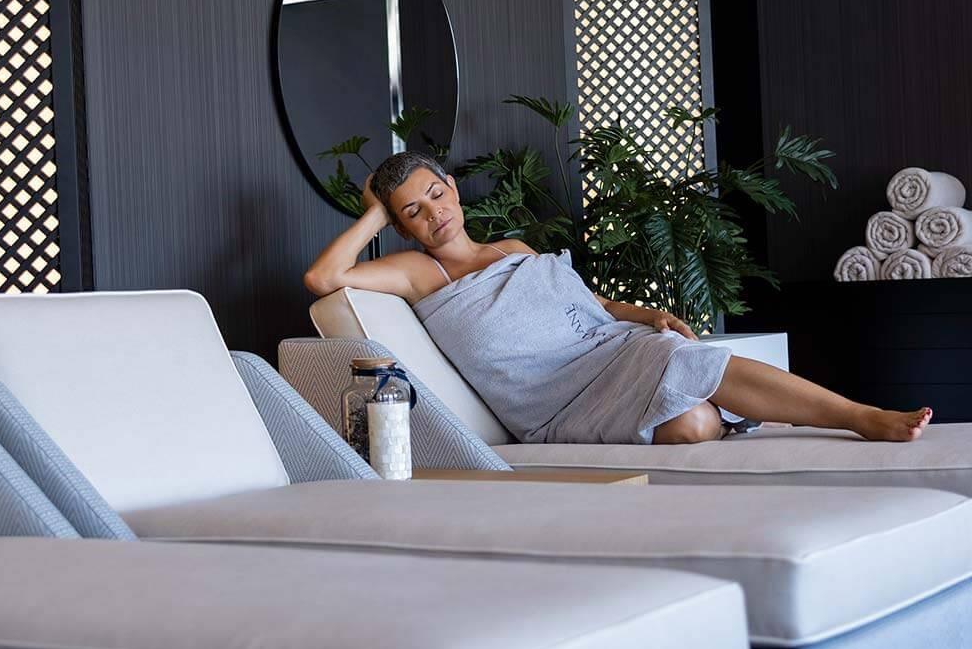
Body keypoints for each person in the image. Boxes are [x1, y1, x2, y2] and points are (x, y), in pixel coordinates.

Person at [304, 151, 933, 445]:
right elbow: (324, 278)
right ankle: (757, 409)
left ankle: (858, 416)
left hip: (611, 350)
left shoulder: (512, 248)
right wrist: (374, 211)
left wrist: (648, 313)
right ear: (401, 226)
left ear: (453, 188)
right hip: (556, 399)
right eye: (412, 211)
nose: (433, 213)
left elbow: (595, 306)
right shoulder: (421, 272)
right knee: (693, 423)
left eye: (435, 195)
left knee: (686, 393)